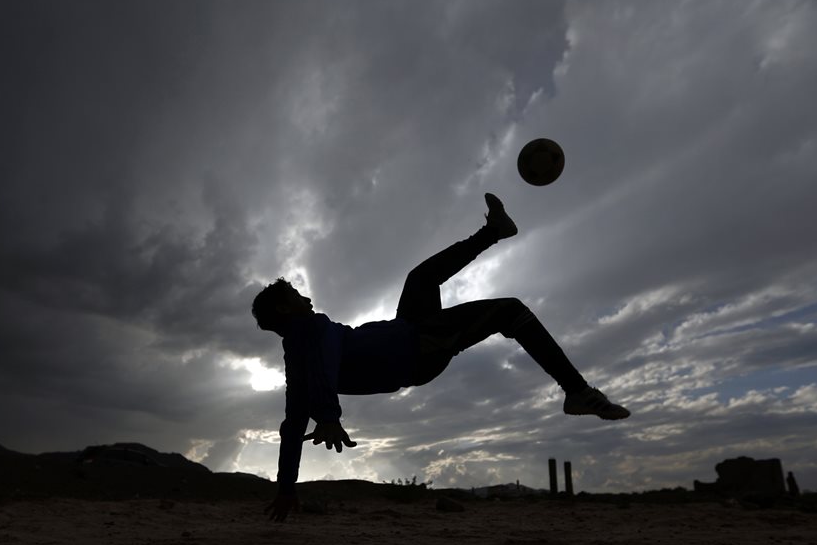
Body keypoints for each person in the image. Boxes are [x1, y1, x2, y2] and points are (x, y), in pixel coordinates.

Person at [252, 193, 630, 521]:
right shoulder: (310, 330)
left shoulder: (296, 368)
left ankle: (494, 231)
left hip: (409, 331)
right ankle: (577, 391)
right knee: (509, 311)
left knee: (419, 279)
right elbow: (326, 358)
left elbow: (292, 426)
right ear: (284, 309)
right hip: (418, 347)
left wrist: (286, 488)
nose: (307, 298)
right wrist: (329, 415)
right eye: (296, 295)